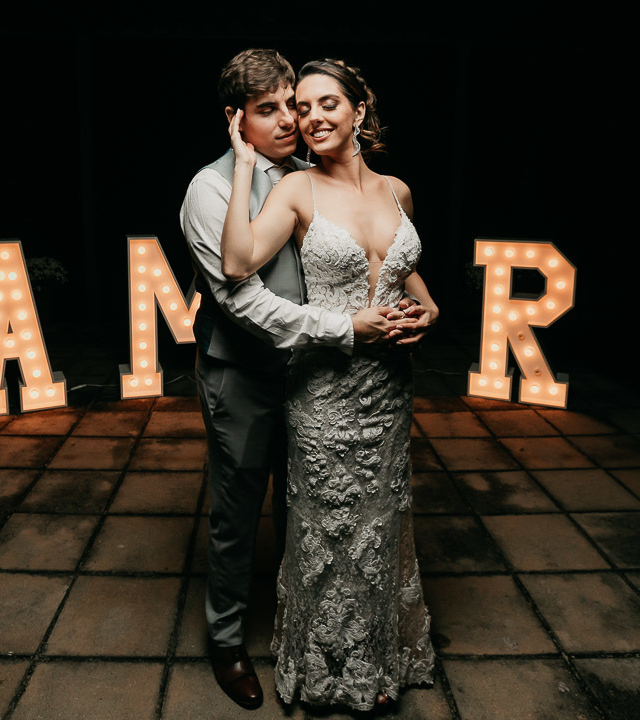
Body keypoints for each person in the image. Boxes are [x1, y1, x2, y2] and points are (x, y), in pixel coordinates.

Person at [179, 49, 431, 711]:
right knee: (237, 514)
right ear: (236, 119)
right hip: (244, 374)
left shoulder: (309, 170)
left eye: (292, 104)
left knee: (311, 513)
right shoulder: (210, 190)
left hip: (318, 376)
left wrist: (421, 308)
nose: (292, 119)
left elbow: (381, 254)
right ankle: (227, 643)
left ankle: (320, 635)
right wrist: (345, 329)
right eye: (269, 110)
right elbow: (242, 301)